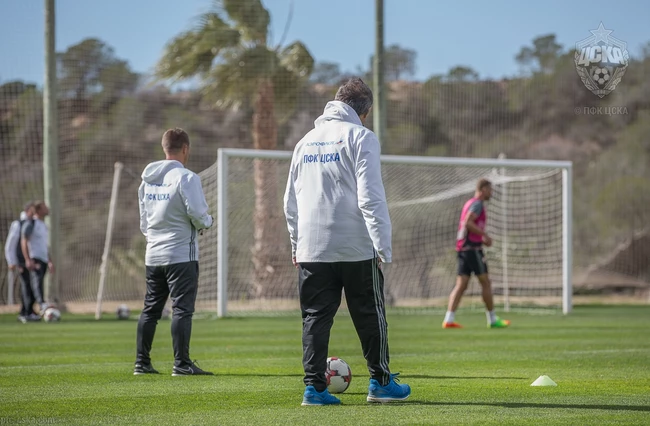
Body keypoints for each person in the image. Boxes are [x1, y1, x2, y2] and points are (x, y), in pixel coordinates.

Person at [284, 78, 411, 406]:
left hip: (312, 247)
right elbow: (370, 197)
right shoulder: (361, 136)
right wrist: (382, 246)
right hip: (355, 245)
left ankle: (314, 390)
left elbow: (290, 201)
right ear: (364, 113)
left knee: (314, 318)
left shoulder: (304, 141)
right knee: (370, 314)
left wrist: (296, 244)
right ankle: (381, 383)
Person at [134, 128, 214, 376]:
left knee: (150, 309)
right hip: (180, 255)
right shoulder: (187, 177)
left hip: (153, 254)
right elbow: (198, 214)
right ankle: (181, 364)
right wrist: (208, 222)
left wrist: (154, 239)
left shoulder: (147, 180)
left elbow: (144, 221)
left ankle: (141, 363)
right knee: (181, 309)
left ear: (164, 147)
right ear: (185, 148)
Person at [442, 178, 510, 329]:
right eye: (490, 189)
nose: (491, 192)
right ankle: (492, 319)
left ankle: (448, 319)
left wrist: (480, 238)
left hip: (463, 248)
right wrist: (484, 235)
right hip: (472, 249)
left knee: (461, 285)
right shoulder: (477, 204)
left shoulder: (469, 203)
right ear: (483, 189)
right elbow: (468, 222)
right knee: (485, 282)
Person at [4, 201, 38, 323]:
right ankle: (26, 312)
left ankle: (27, 310)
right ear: (28, 210)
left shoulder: (34, 223)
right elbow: (10, 244)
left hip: (32, 260)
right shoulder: (18, 224)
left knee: (33, 286)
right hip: (21, 261)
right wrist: (11, 261)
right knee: (26, 285)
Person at [20, 201, 53, 320]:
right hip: (35, 258)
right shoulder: (31, 223)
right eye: (44, 207)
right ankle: (41, 304)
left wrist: (49, 261)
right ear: (38, 210)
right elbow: (24, 241)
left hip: (43, 259)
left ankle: (30, 311)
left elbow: (44, 245)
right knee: (36, 282)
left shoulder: (43, 225)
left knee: (38, 282)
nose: (47, 209)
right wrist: (27, 259)